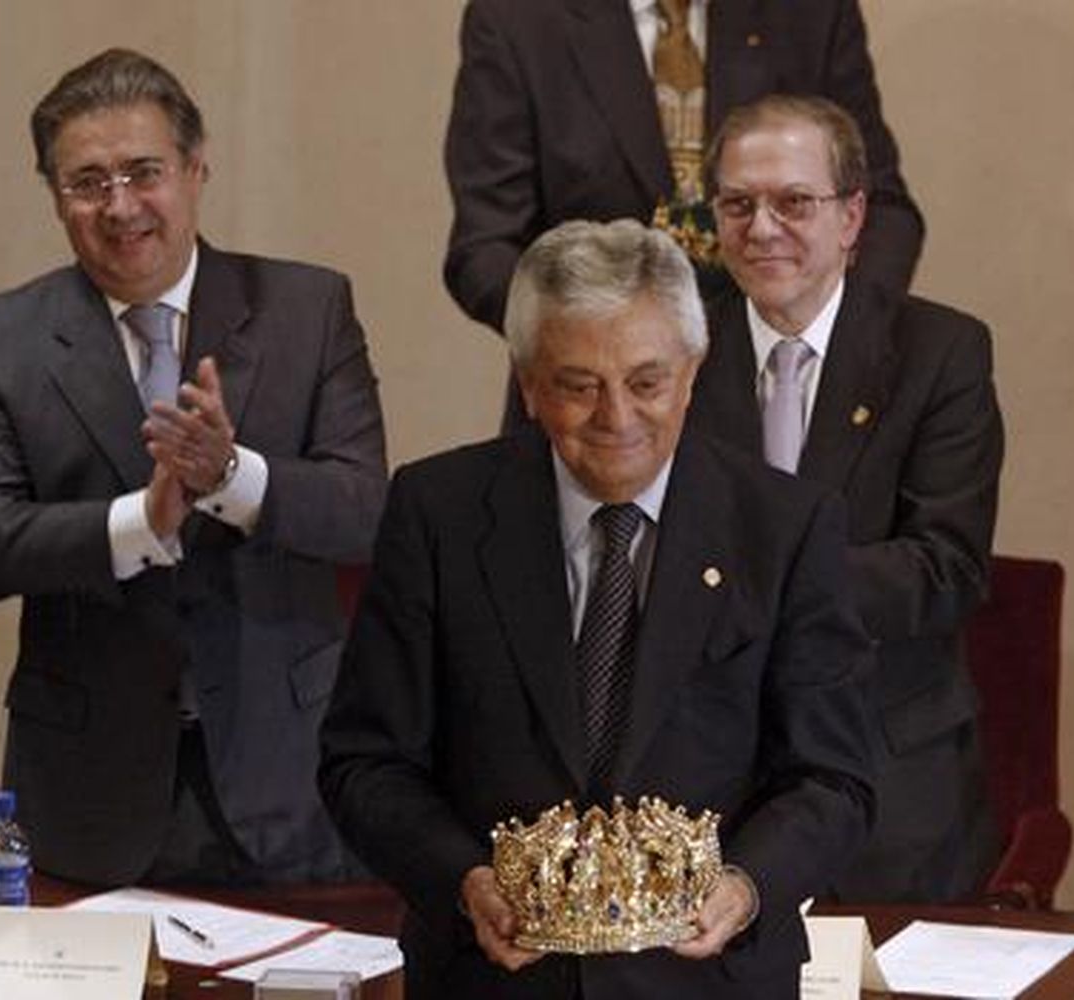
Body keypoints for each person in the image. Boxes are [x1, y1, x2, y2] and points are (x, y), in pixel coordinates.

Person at [319, 219, 874, 998]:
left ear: (693, 370)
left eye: (646, 381)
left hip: (710, 981)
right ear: (528, 382)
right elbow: (364, 762)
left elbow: (833, 779)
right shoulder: (437, 511)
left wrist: (746, 886)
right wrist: (463, 880)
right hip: (493, 977)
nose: (616, 418)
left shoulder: (784, 528)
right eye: (579, 386)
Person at [0, 49, 387, 887]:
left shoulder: (307, 309)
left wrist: (230, 477)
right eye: (87, 183)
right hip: (87, 783)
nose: (120, 207)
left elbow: (362, 509)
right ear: (55, 196)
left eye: (144, 173)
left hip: (286, 775)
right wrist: (141, 523)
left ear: (195, 169)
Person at [688, 95, 1003, 903]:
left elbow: (945, 568)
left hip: (890, 775)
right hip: (707, 782)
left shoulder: (939, 352)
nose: (762, 228)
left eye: (794, 202)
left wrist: (759, 584)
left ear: (852, 215)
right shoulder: (676, 351)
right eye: (738, 204)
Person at [443, 0, 924, 426]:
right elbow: (484, 249)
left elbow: (883, 210)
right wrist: (595, 338)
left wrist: (833, 333)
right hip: (596, 411)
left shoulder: (809, 11)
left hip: (779, 394)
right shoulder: (517, 18)